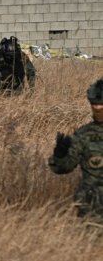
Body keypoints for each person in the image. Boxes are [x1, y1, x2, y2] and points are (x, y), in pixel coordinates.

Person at [48, 78, 103, 227]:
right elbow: (65, 167)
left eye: (101, 105)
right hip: (93, 206)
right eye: (95, 104)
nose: (98, 108)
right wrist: (59, 155)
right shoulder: (83, 135)